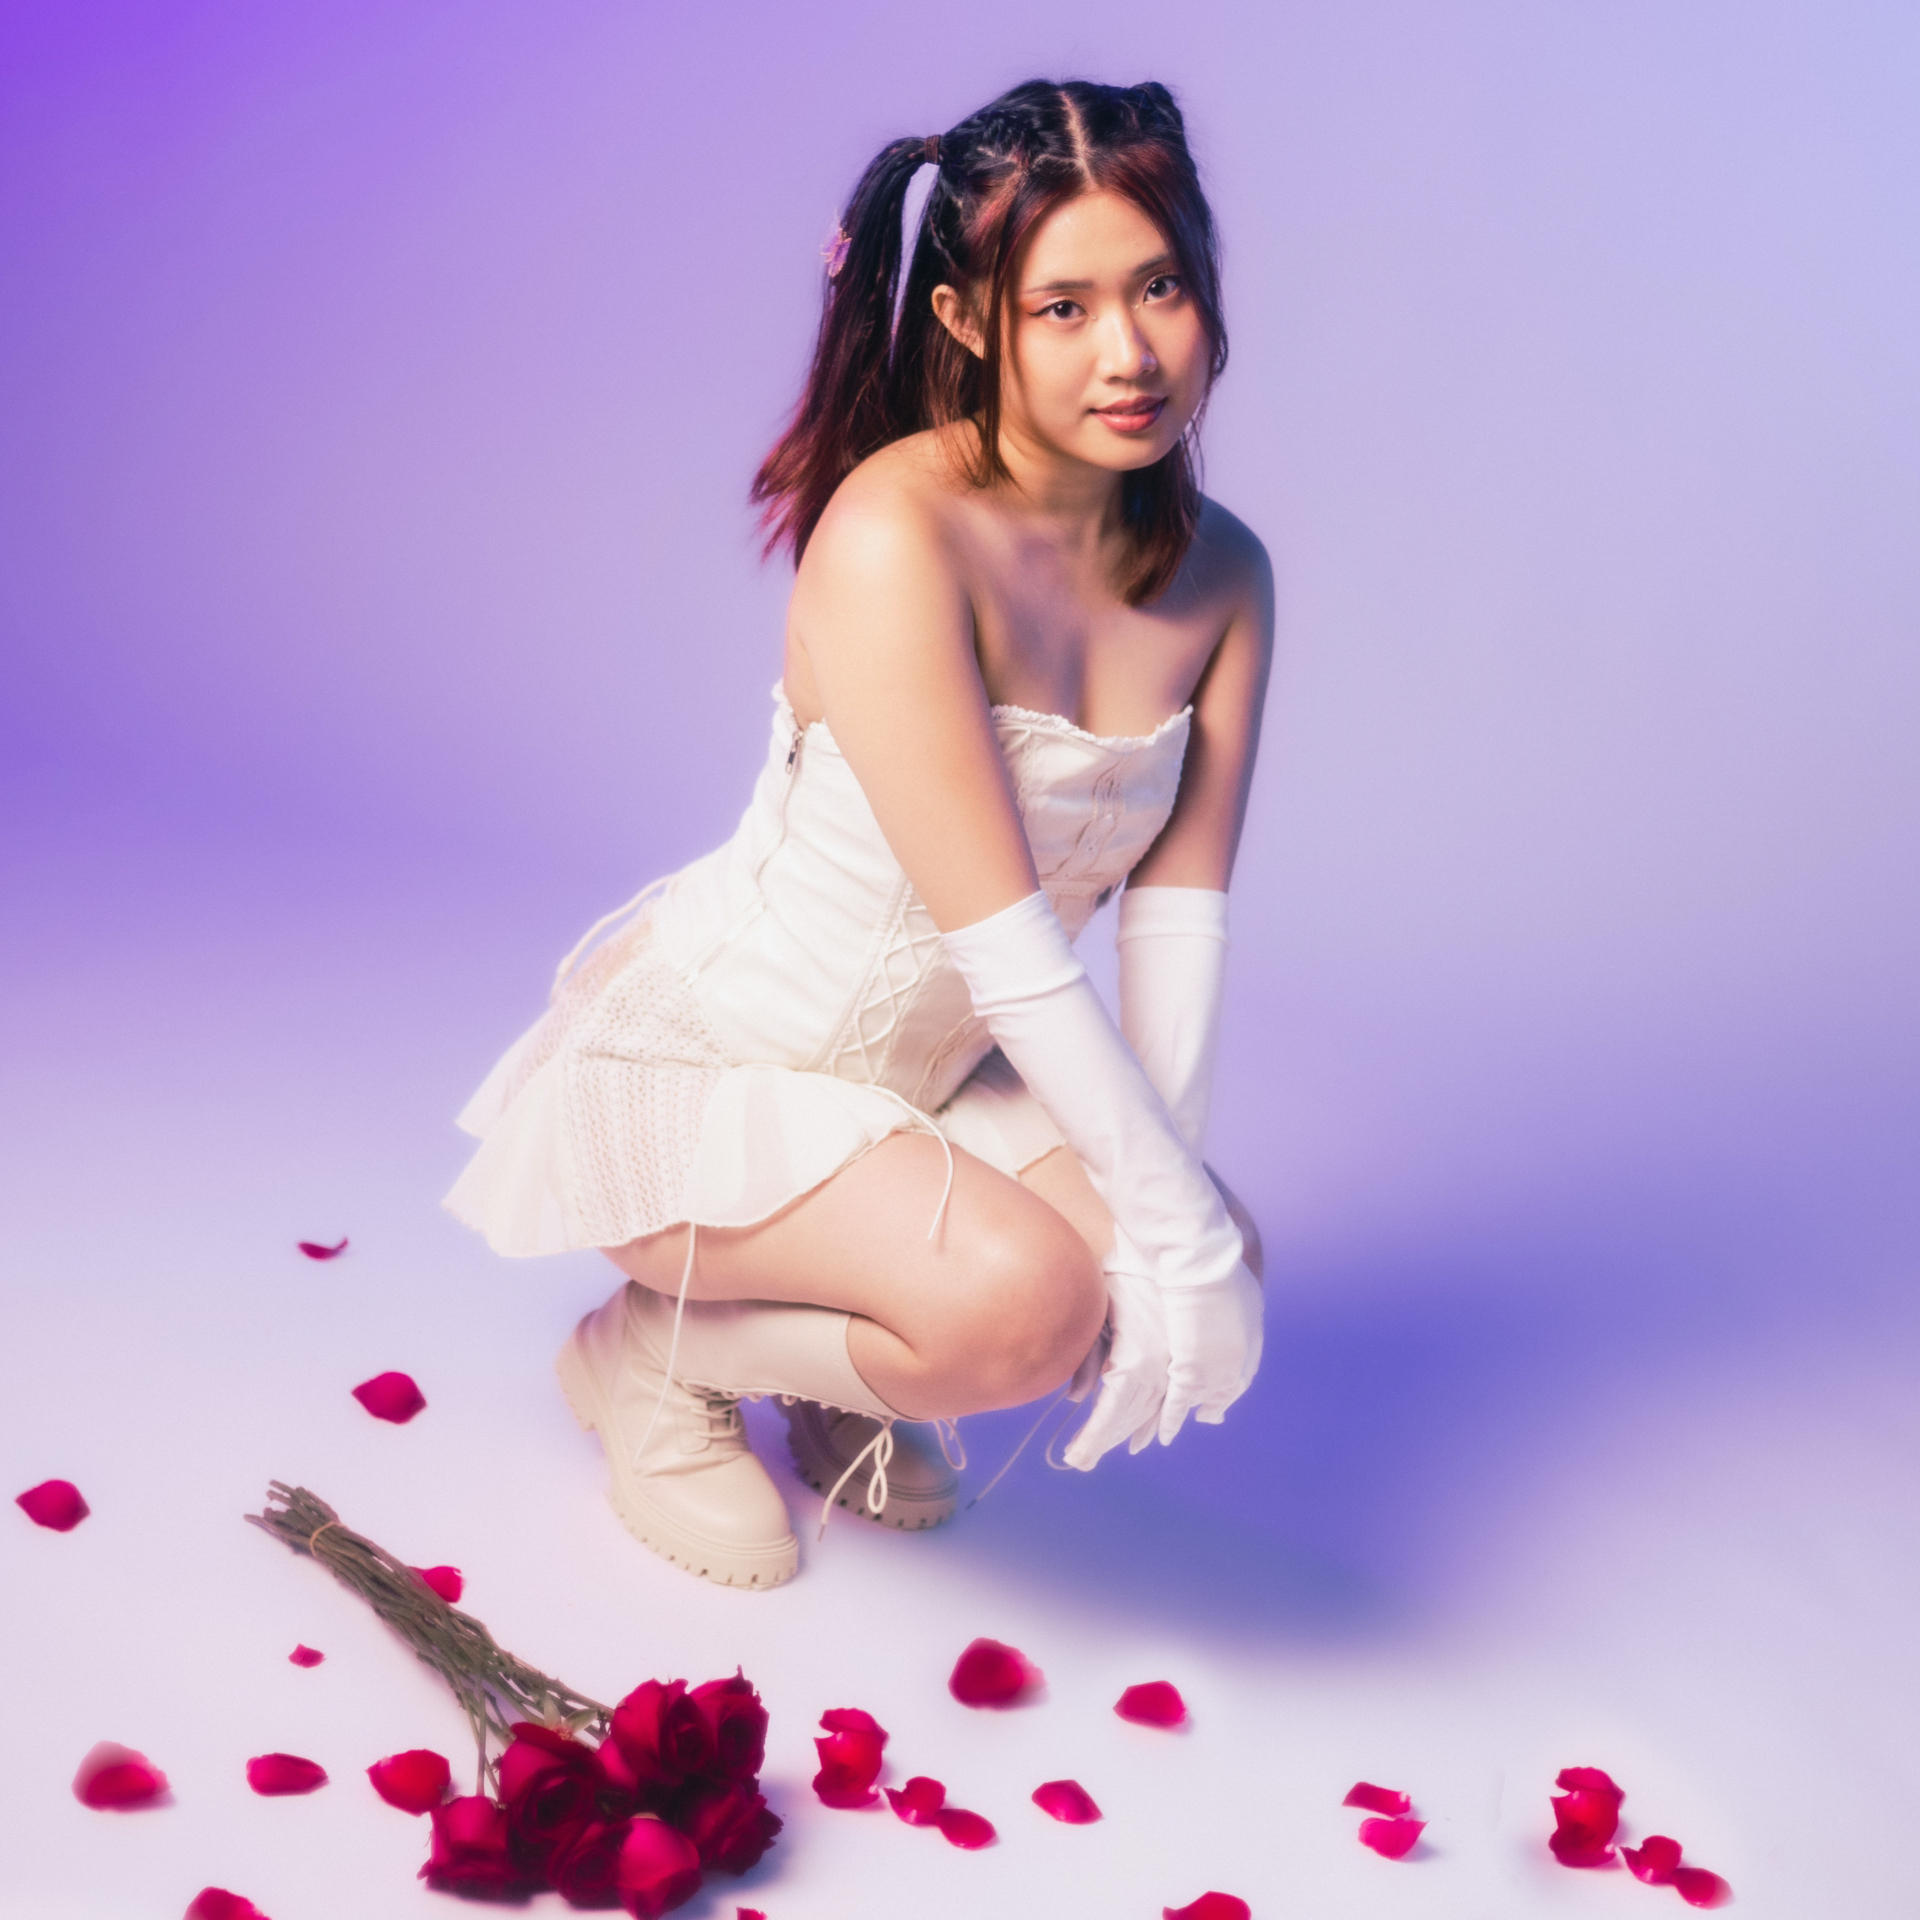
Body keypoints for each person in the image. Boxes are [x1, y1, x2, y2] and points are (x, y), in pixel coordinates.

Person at [446, 78, 1272, 1590]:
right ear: (966, 321)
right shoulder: (896, 537)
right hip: (723, 1073)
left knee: (1208, 1244)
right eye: (1064, 307)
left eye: (1160, 287)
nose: (1132, 351)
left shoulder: (1225, 573)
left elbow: (1179, 917)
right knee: (1027, 1311)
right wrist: (1177, 1245)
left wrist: (1184, 1228)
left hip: (930, 1083)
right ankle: (657, 1351)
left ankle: (840, 1350)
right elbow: (1012, 951)